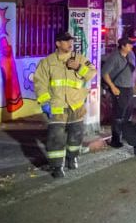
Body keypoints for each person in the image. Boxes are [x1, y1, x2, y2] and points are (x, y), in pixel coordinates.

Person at [33, 32, 97, 178]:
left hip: (76, 104)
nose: (70, 44)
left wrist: (79, 67)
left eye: (71, 41)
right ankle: (56, 166)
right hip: (57, 104)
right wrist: (44, 102)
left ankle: (72, 157)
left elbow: (92, 73)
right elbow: (40, 82)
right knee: (56, 137)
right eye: (66, 41)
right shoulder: (47, 62)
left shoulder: (79, 58)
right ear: (58, 43)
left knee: (76, 134)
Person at [101, 37, 136, 148]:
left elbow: (134, 69)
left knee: (128, 112)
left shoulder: (131, 54)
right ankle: (115, 139)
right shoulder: (114, 57)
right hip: (119, 88)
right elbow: (105, 73)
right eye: (129, 44)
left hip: (129, 88)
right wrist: (112, 87)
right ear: (122, 46)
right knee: (118, 115)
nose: (131, 46)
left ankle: (125, 135)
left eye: (132, 44)